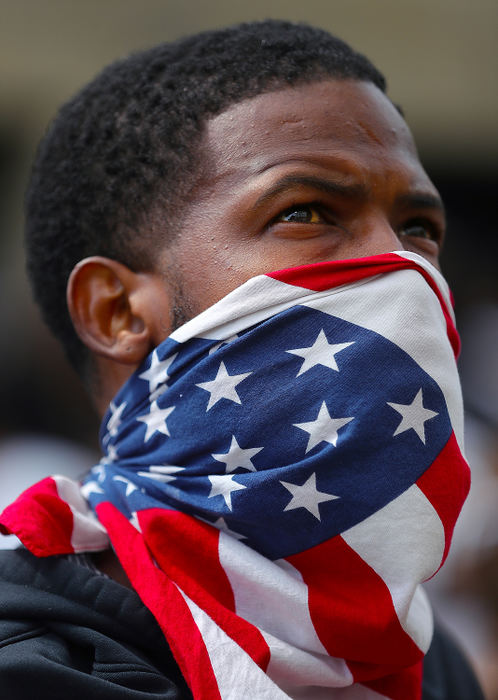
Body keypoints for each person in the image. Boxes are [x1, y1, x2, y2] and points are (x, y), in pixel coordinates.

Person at [0, 20, 485, 700]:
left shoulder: (428, 665)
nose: (401, 266)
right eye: (308, 212)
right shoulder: (31, 668)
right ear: (117, 311)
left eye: (418, 228)